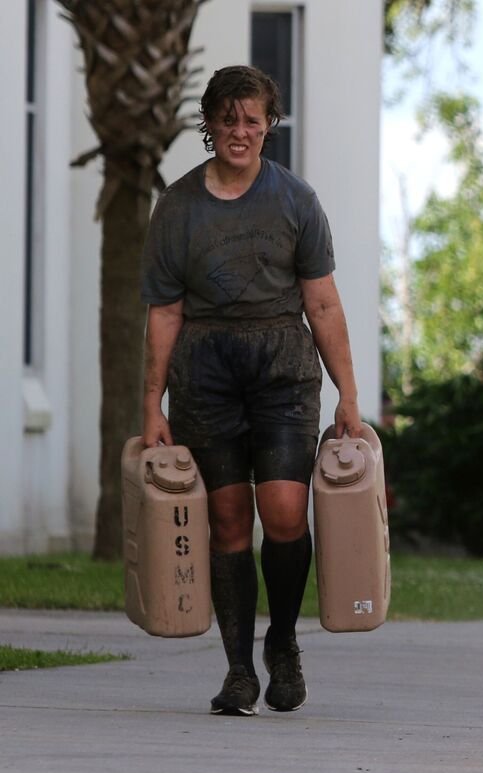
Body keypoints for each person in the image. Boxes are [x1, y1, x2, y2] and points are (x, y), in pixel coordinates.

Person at [140, 65, 363, 717]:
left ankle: (284, 642)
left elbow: (322, 304)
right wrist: (151, 404)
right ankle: (238, 670)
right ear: (209, 126)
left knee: (287, 510)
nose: (240, 131)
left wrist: (348, 394)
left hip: (282, 367)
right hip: (205, 368)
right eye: (228, 119)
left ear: (270, 124)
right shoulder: (177, 207)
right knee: (230, 520)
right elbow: (164, 313)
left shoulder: (296, 200)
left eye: (252, 119)